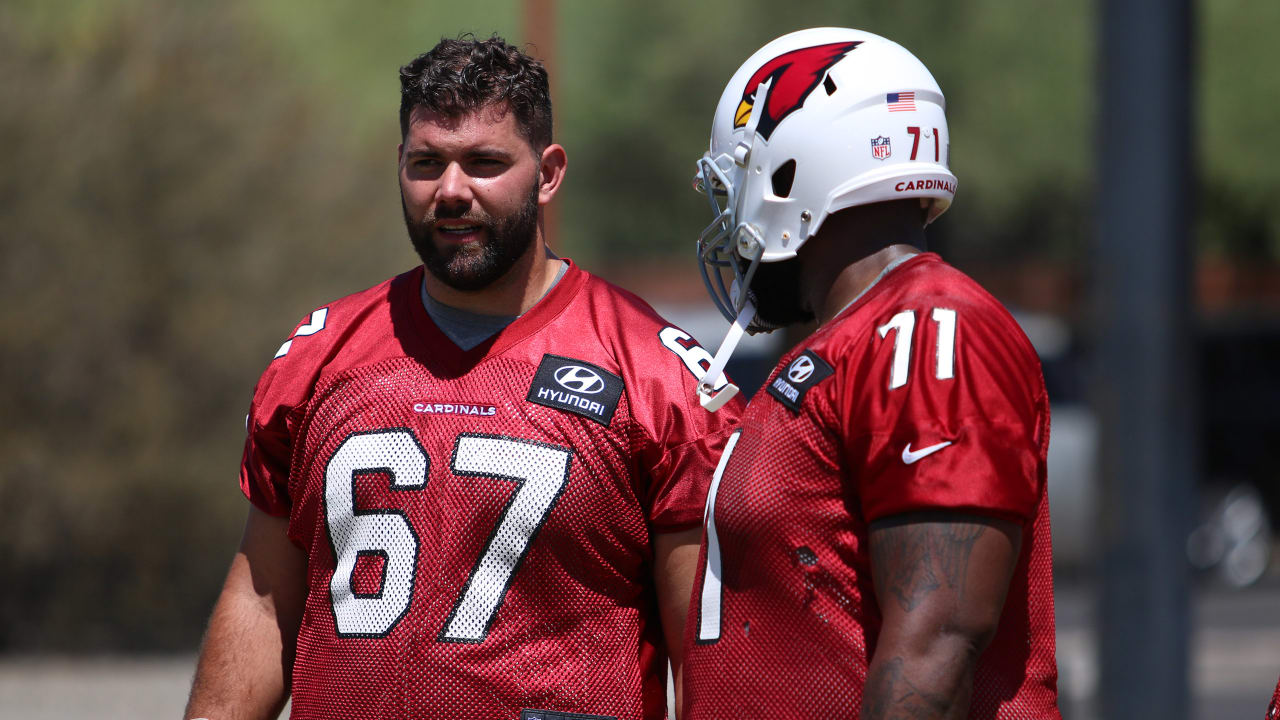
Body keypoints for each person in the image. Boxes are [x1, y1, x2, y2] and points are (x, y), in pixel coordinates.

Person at [184, 34, 741, 720]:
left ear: (548, 172)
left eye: (483, 163)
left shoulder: (653, 373)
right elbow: (264, 598)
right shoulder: (320, 356)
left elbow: (710, 654)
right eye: (427, 164)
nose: (451, 191)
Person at [680, 28, 1060, 718]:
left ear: (790, 171)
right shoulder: (849, 340)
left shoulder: (927, 328)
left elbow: (937, 645)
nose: (731, 213)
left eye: (736, 183)